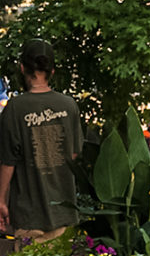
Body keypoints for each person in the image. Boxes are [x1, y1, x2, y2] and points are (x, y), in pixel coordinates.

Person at [0, 39, 89, 241]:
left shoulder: (14, 109)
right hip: (64, 215)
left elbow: (7, 162)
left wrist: (1, 202)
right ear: (52, 71)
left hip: (27, 217)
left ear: (22, 68)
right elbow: (74, 154)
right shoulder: (69, 106)